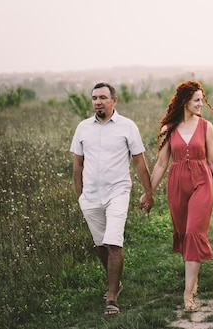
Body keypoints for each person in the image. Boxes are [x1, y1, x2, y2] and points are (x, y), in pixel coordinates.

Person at [139, 80, 213, 312]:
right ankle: (192, 279)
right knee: (185, 234)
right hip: (177, 186)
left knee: (195, 232)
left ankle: (187, 295)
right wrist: (149, 192)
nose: (201, 104)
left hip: (202, 182)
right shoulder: (168, 128)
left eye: (202, 100)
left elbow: (212, 159)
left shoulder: (205, 126)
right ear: (185, 101)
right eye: (197, 100)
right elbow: (161, 164)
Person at [70, 82, 153, 316]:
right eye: (94, 98)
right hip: (91, 197)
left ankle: (112, 297)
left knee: (114, 242)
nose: (98, 101)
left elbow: (139, 161)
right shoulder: (83, 128)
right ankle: (115, 282)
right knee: (101, 245)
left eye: (103, 97)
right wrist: (81, 197)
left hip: (118, 192)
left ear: (114, 101)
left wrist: (149, 191)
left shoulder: (127, 127)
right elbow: (77, 165)